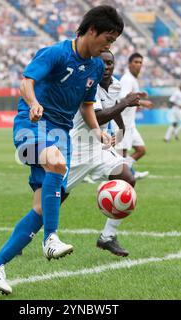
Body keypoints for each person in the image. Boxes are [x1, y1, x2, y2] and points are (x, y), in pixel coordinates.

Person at [0, 5, 124, 295]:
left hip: (61, 135)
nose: (109, 47)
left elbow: (86, 106)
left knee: (41, 208)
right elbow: (26, 82)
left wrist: (99, 134)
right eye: (107, 39)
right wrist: (33, 103)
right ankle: (51, 240)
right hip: (30, 127)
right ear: (91, 30)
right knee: (57, 166)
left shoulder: (95, 67)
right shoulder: (55, 53)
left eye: (113, 42)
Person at [64, 50, 147, 257]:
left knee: (128, 177)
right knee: (55, 198)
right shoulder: (89, 83)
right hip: (79, 149)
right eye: (103, 63)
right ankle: (25, 235)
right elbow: (98, 116)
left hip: (100, 149)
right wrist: (125, 103)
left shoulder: (116, 85)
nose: (107, 67)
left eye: (110, 63)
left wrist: (119, 132)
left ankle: (107, 237)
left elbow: (114, 111)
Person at [115, 53, 153, 179]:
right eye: (136, 62)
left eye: (140, 62)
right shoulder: (127, 79)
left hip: (131, 123)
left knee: (141, 150)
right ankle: (119, 177)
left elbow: (129, 97)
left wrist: (138, 95)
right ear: (129, 64)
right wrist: (142, 102)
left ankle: (129, 171)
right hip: (123, 123)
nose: (138, 65)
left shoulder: (133, 79)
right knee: (122, 153)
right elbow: (122, 99)